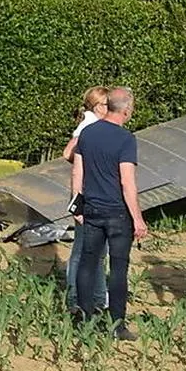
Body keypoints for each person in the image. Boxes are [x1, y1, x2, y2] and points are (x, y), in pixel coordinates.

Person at [72, 87, 148, 340]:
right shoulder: (126, 139)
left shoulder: (88, 133)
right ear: (126, 110)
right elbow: (128, 183)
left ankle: (84, 319)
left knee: (87, 263)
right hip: (117, 213)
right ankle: (117, 326)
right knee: (118, 268)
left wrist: (76, 205)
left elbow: (77, 172)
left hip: (92, 209)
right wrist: (137, 218)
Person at [63, 86, 109, 315]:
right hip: (86, 194)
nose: (108, 108)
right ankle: (75, 299)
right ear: (96, 106)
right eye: (105, 104)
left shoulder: (93, 124)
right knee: (82, 250)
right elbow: (68, 152)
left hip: (88, 192)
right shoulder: (88, 126)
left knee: (97, 252)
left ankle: (98, 298)